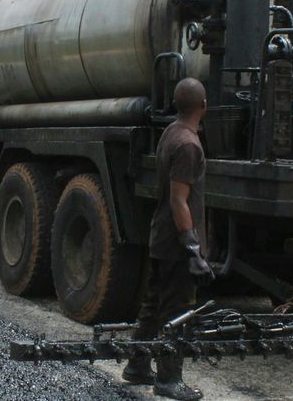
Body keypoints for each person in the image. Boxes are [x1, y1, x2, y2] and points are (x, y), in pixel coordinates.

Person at [122, 78, 214, 401]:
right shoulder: (189, 144)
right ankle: (169, 379)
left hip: (161, 235)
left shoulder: (170, 133)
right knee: (178, 311)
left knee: (152, 304)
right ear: (203, 106)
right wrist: (193, 250)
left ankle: (136, 364)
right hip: (176, 243)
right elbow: (179, 200)